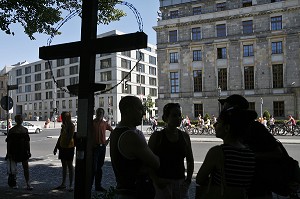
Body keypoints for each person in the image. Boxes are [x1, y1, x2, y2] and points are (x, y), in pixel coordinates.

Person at [218, 94, 283, 199]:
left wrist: (246, 156)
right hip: (241, 188)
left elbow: (277, 153)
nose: (223, 110)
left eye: (226, 107)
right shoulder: (232, 129)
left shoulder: (255, 127)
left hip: (258, 187)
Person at [196, 108, 257, 198]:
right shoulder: (250, 153)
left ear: (227, 128)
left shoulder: (217, 152)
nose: (215, 124)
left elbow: (199, 179)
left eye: (219, 122)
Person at [110, 95, 160, 199]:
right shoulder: (131, 136)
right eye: (139, 109)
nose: (143, 113)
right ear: (128, 110)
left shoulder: (116, 132)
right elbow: (156, 163)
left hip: (123, 191)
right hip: (133, 193)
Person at [148, 103, 194, 199]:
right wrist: (156, 180)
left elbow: (190, 160)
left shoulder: (185, 136)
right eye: (174, 115)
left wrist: (188, 180)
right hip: (162, 183)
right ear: (165, 118)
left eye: (179, 115)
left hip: (180, 183)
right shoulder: (157, 136)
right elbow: (148, 161)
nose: (178, 118)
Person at [6, 115, 33, 190]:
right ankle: (15, 183)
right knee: (14, 168)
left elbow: (27, 142)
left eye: (21, 119)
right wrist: (8, 152)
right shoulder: (13, 130)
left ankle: (27, 183)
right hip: (15, 150)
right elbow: (9, 142)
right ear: (16, 120)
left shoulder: (23, 130)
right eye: (18, 119)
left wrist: (29, 151)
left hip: (23, 150)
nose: (20, 120)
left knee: (25, 167)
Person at [92, 108, 113, 192]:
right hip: (94, 147)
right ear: (96, 113)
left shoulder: (104, 123)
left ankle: (98, 185)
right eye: (98, 112)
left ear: (103, 114)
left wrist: (108, 140)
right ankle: (89, 185)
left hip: (102, 147)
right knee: (94, 167)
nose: (99, 113)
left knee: (99, 167)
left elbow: (112, 131)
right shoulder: (92, 123)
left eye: (101, 112)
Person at [53, 111, 75, 191]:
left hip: (69, 147)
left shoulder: (71, 126)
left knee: (70, 165)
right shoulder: (63, 126)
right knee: (64, 166)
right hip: (63, 147)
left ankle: (71, 185)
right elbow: (60, 137)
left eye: (64, 117)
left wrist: (65, 129)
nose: (62, 119)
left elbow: (70, 137)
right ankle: (63, 183)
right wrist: (56, 147)